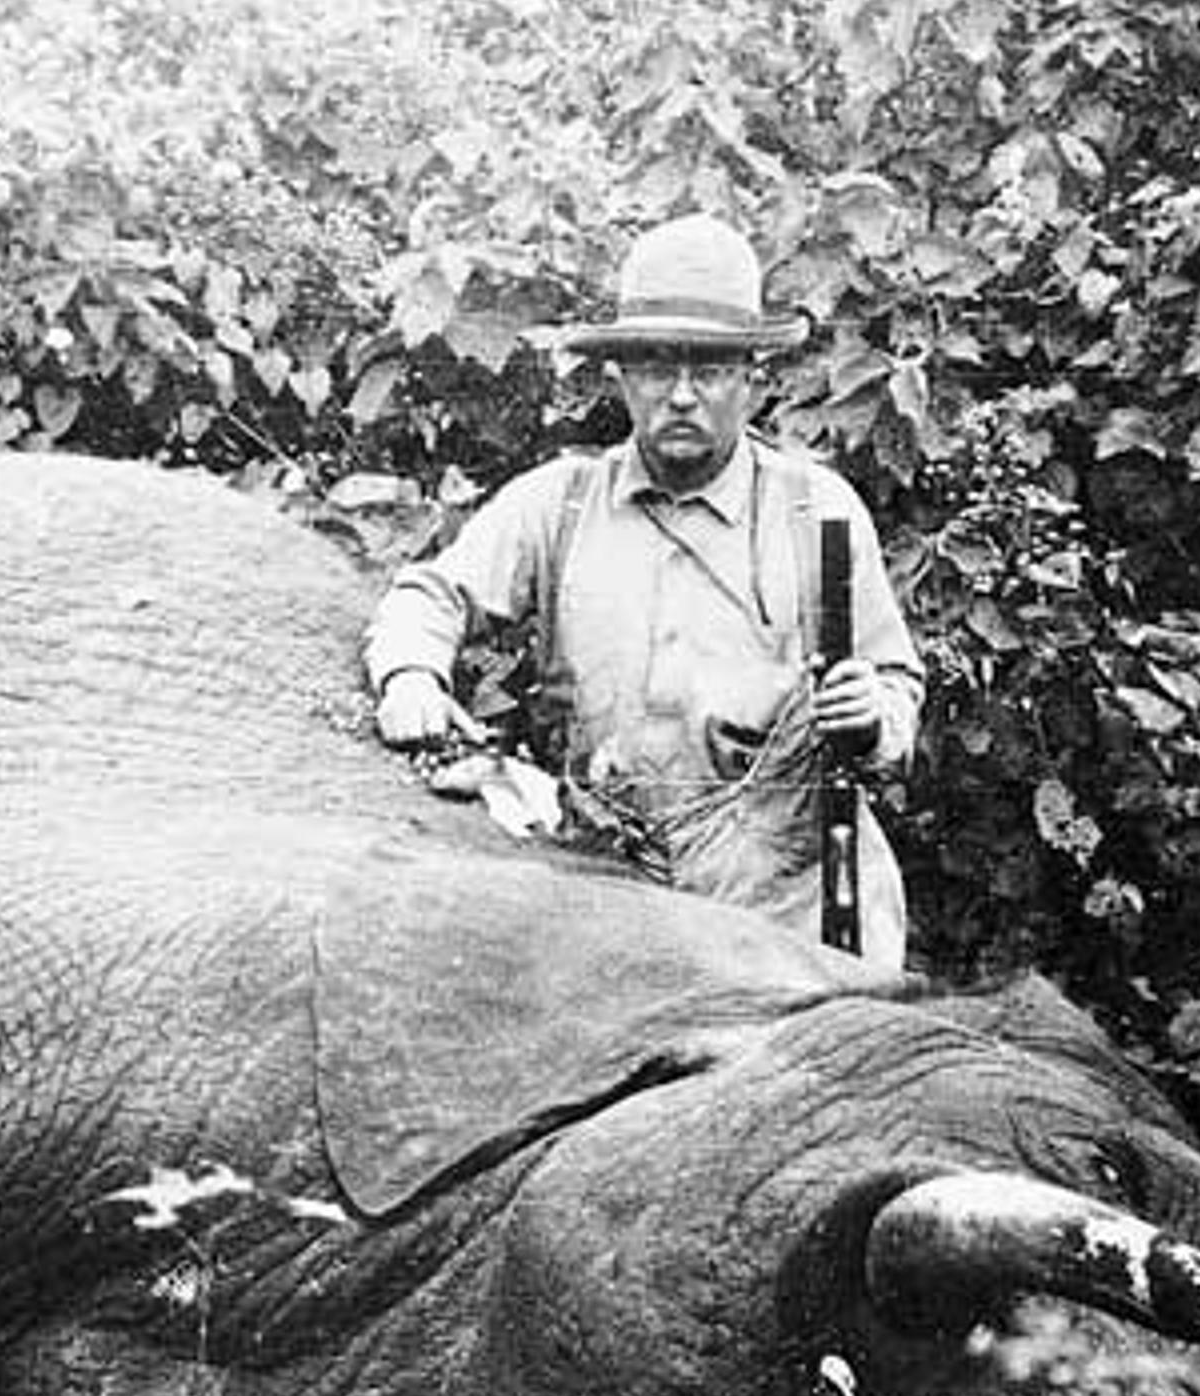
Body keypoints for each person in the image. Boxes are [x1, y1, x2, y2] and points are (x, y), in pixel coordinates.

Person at [364, 213, 923, 965]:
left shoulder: (814, 511)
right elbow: (429, 594)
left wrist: (873, 715)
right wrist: (410, 675)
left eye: (711, 368)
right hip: (615, 908)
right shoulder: (559, 504)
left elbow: (895, 688)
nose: (683, 395)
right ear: (621, 378)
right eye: (659, 368)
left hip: (790, 910)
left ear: (753, 381)